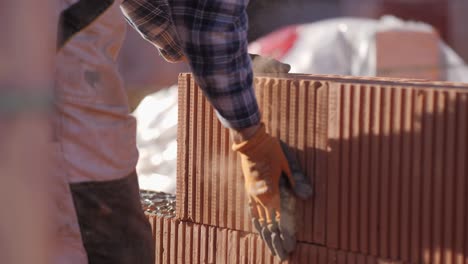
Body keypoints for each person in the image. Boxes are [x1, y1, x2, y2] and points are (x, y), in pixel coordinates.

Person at [54, 0, 310, 263]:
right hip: (62, 94)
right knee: (116, 247)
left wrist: (211, 58)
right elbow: (210, 24)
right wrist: (252, 142)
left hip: (28, 65)